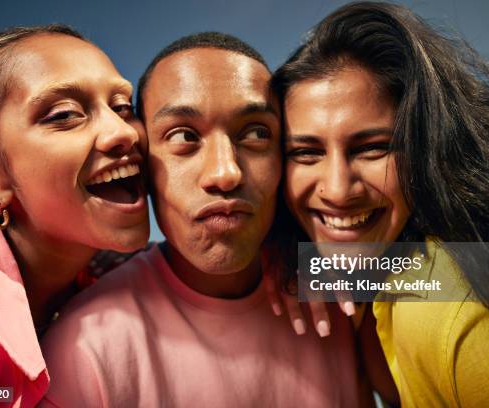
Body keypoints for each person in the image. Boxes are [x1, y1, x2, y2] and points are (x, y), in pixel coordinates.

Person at [40, 32, 373, 407]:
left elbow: (440, 274)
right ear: (141, 163)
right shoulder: (82, 350)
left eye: (255, 134)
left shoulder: (336, 281)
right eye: (184, 136)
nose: (225, 172)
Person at [268, 1, 489, 406]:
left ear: (427, 147)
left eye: (373, 148)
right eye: (306, 153)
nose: (338, 188)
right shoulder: (382, 270)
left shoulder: (455, 313)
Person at [0, 25, 149, 407]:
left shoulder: (110, 268)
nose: (124, 132)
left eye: (122, 107)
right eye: (64, 114)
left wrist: (295, 266)